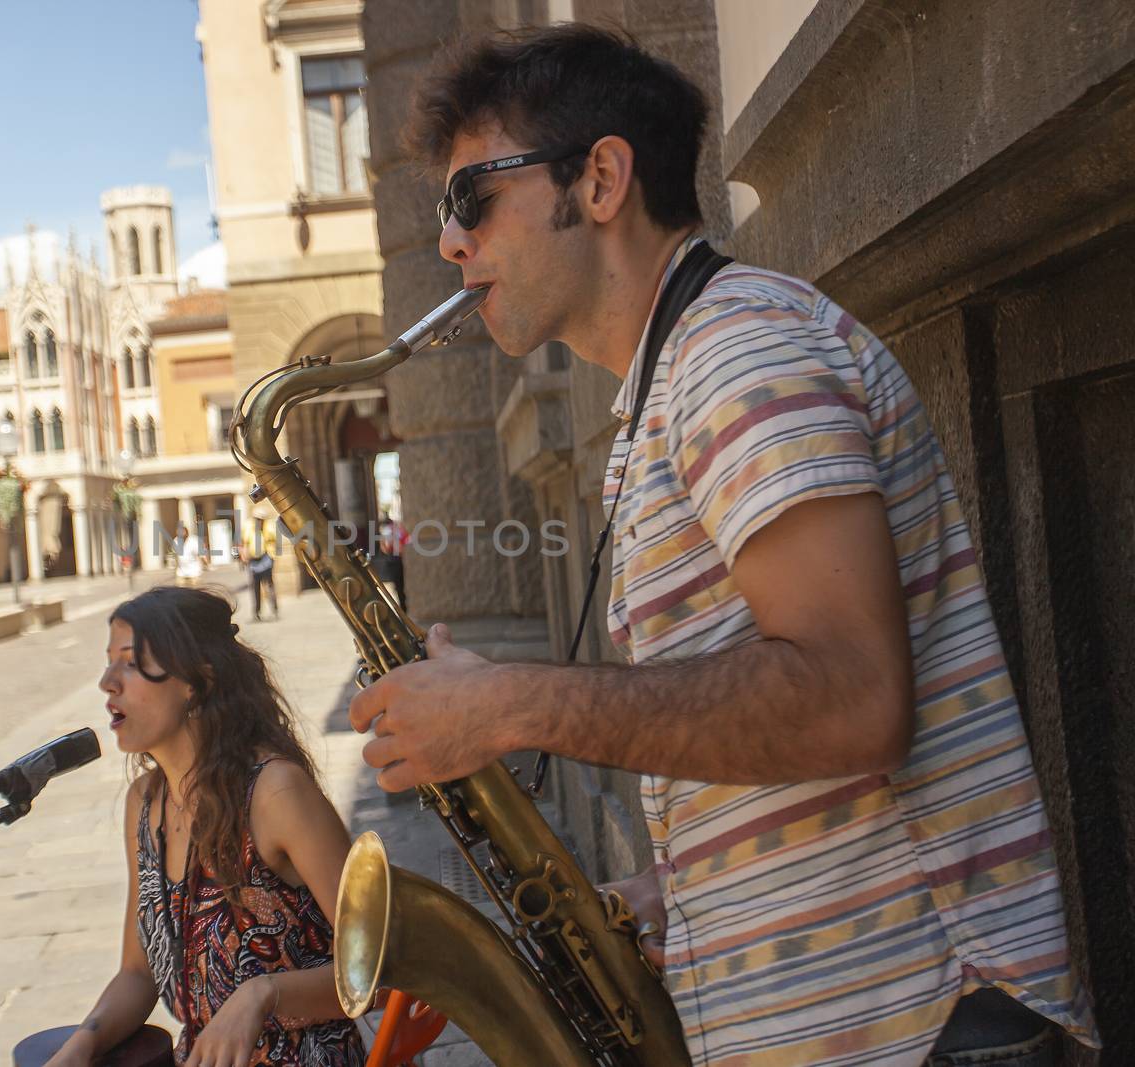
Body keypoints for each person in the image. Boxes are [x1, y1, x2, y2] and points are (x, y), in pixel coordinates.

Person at [347, 24, 1098, 1067]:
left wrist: (508, 704)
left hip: (916, 1023)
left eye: (471, 199)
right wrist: (675, 890)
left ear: (600, 178)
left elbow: (850, 696)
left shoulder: (738, 354)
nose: (449, 244)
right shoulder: (679, 379)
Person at [48, 586, 364, 1067]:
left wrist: (264, 995)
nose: (107, 682)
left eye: (130, 664)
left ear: (197, 683)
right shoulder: (145, 805)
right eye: (109, 662)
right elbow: (138, 973)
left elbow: (381, 969)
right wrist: (81, 1045)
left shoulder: (275, 793)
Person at [247, 519, 278, 622]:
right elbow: (246, 544)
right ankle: (257, 613)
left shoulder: (267, 531)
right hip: (254, 563)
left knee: (269, 587)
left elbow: (274, 542)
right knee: (256, 589)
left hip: (266, 561)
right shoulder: (251, 532)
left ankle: (274, 610)